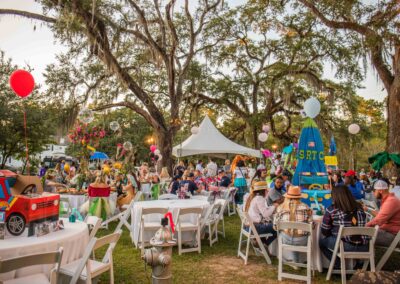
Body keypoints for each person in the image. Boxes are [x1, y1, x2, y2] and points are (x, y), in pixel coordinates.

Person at [320, 185, 369, 269]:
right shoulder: (360, 208)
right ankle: (360, 264)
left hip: (345, 246)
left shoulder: (332, 210)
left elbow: (324, 230)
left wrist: (333, 232)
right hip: (365, 247)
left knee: (321, 243)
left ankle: (338, 264)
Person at [274, 186, 313, 262]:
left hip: (285, 240)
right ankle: (303, 261)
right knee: (299, 234)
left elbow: (275, 227)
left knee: (286, 233)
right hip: (302, 241)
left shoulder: (281, 208)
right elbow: (312, 226)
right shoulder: (306, 208)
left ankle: (289, 259)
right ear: (299, 197)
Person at [365, 180, 400, 246]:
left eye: (374, 191)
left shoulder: (391, 201)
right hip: (390, 232)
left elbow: (378, 220)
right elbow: (380, 216)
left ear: (380, 191)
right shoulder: (389, 199)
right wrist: (368, 210)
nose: (373, 193)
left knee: (363, 234)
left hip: (394, 236)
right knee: (364, 233)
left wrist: (363, 227)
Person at [244, 181, 278, 246]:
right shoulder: (259, 198)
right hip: (254, 228)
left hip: (247, 227)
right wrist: (274, 206)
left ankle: (260, 243)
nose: (267, 192)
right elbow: (265, 214)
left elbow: (262, 211)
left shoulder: (252, 197)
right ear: (264, 191)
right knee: (278, 227)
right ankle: (264, 244)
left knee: (269, 224)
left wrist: (271, 207)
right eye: (267, 191)